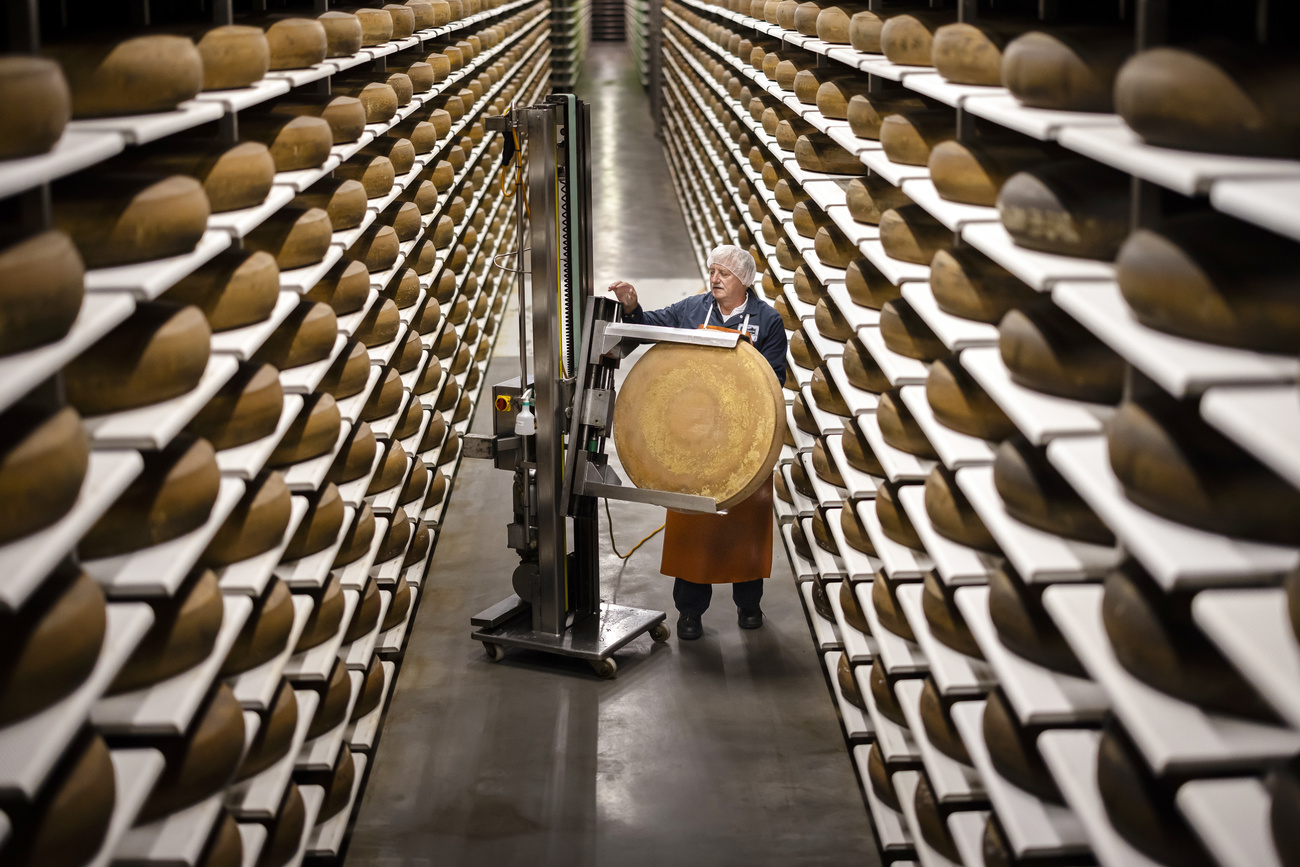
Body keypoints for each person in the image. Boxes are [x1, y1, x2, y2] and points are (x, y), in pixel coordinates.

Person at [607, 245, 788, 641]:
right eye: (713, 270)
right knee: (692, 528)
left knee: (746, 531)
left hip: (744, 445)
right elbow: (652, 326)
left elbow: (775, 379)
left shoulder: (768, 321)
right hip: (693, 439)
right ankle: (689, 613)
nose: (716, 278)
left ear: (745, 280)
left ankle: (749, 605)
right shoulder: (693, 309)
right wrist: (633, 308)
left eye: (724, 272)